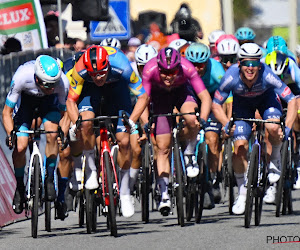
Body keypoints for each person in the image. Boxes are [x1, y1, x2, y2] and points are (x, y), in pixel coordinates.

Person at [212, 43, 297, 215]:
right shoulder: (231, 77)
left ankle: (274, 161)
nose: (251, 68)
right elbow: (216, 104)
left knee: (273, 127)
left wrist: (287, 126)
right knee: (240, 147)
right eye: (246, 64)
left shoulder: (267, 74)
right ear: (239, 64)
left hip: (267, 102)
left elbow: (292, 99)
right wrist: (226, 123)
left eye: (254, 64)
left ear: (260, 64)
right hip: (243, 106)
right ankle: (242, 194)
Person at [65, 45, 146, 218]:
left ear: (107, 65)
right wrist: (76, 123)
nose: (99, 77)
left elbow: (143, 97)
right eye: (94, 74)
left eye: (101, 73)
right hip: (90, 89)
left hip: (117, 89)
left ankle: (124, 192)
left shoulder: (122, 66)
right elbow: (70, 101)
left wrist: (132, 121)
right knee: (86, 122)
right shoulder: (80, 69)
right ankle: (92, 170)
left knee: (124, 141)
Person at [130, 47, 211, 215]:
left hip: (182, 93)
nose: (168, 76)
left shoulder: (187, 67)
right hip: (160, 98)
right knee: (163, 148)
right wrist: (145, 123)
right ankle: (164, 193)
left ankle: (189, 154)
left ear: (179, 67)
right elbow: (143, 99)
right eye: (164, 72)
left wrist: (202, 119)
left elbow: (205, 97)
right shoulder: (150, 69)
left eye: (172, 71)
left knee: (191, 118)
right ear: (158, 66)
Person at [2, 55, 69, 214]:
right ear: (37, 79)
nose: (51, 88)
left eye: (54, 84)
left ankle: (49, 178)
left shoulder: (62, 83)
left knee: (52, 134)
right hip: (26, 103)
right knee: (20, 145)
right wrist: (11, 134)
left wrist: (62, 133)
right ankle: (19, 188)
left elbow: (64, 114)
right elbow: (7, 112)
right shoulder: (21, 76)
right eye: (47, 85)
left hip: (49, 104)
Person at [185, 43, 225, 208]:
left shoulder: (217, 72)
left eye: (200, 65)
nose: (197, 68)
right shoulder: (183, 70)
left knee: (211, 139)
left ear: (207, 62)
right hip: (191, 98)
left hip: (213, 102)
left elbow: (227, 100)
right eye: (193, 64)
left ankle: (213, 179)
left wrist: (226, 122)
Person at [265, 50, 300, 192]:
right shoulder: (262, 69)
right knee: (268, 129)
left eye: (280, 75)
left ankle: (296, 161)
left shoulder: (292, 68)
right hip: (271, 96)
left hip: (292, 93)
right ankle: (268, 171)